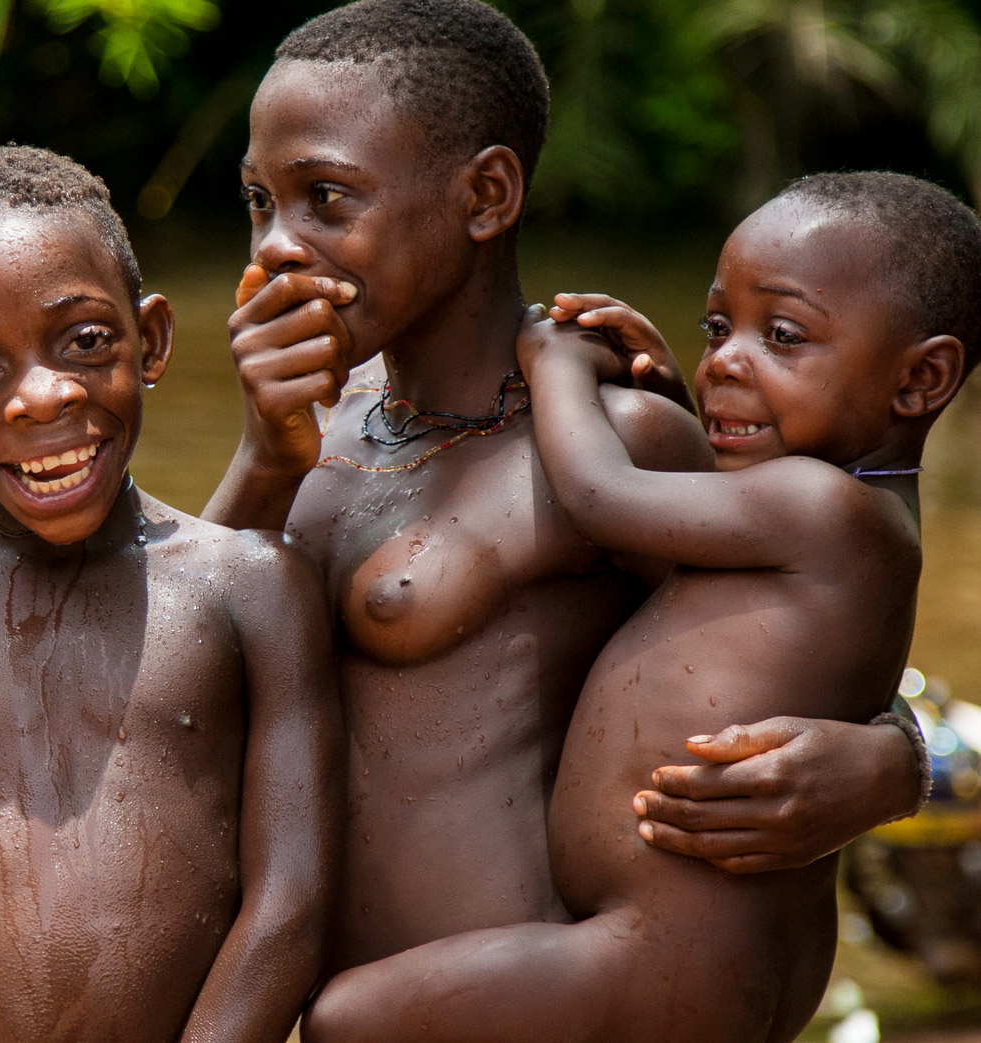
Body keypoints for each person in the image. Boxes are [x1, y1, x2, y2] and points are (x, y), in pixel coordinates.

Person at [201, 0, 929, 1026]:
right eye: (256, 202)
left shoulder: (621, 440)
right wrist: (262, 458)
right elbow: (166, 692)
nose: (276, 246)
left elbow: (816, 633)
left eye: (325, 197)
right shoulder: (316, 429)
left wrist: (898, 760)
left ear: (487, 195)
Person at [304, 170, 979, 1041]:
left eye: (781, 335)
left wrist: (557, 367)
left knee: (345, 1020)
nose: (726, 360)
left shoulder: (822, 508)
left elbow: (600, 493)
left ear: (922, 379)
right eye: (715, 327)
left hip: (655, 952)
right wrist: (673, 402)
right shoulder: (840, 512)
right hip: (709, 947)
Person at [0, 145, 342, 1043]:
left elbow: (291, 902)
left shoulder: (255, 589)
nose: (42, 396)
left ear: (152, 339)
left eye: (85, 341)